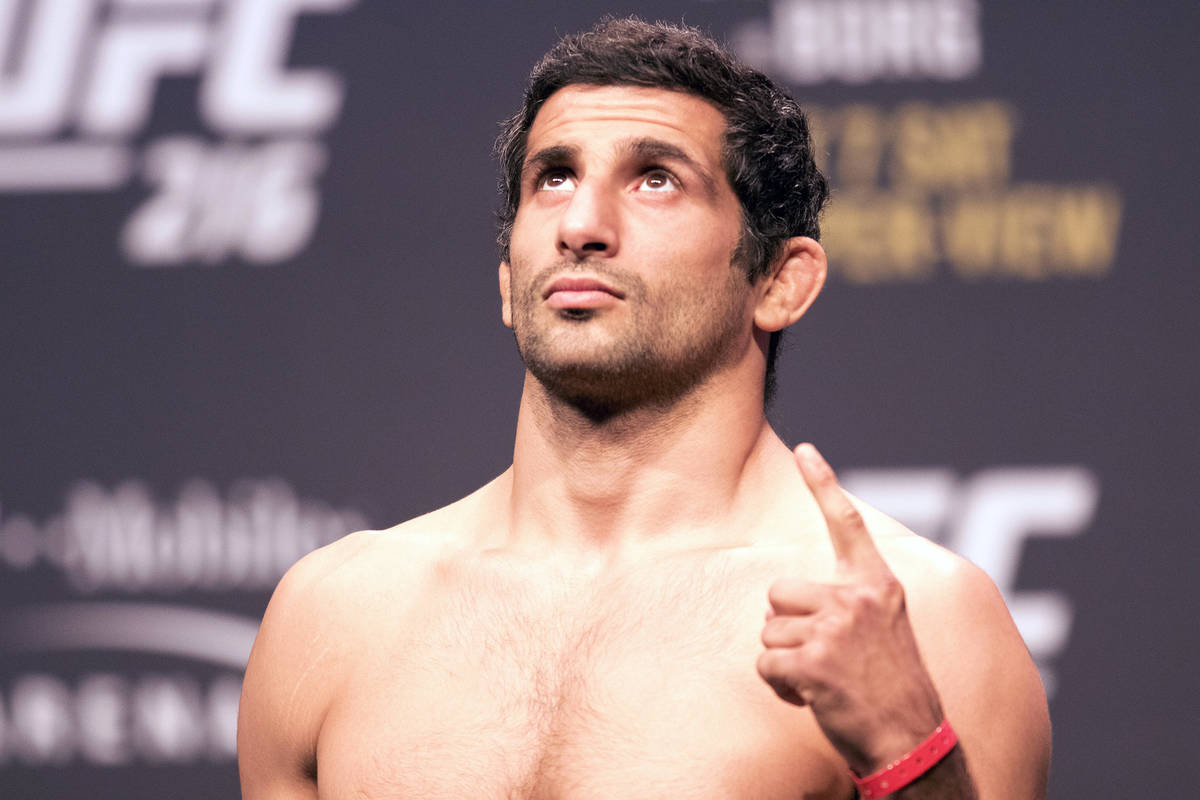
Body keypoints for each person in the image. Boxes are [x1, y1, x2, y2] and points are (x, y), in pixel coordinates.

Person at [237, 17, 1050, 799]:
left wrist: (911, 751)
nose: (582, 225)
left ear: (778, 281)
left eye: (655, 179)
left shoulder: (916, 619)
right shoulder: (334, 617)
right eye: (553, 177)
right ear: (507, 284)